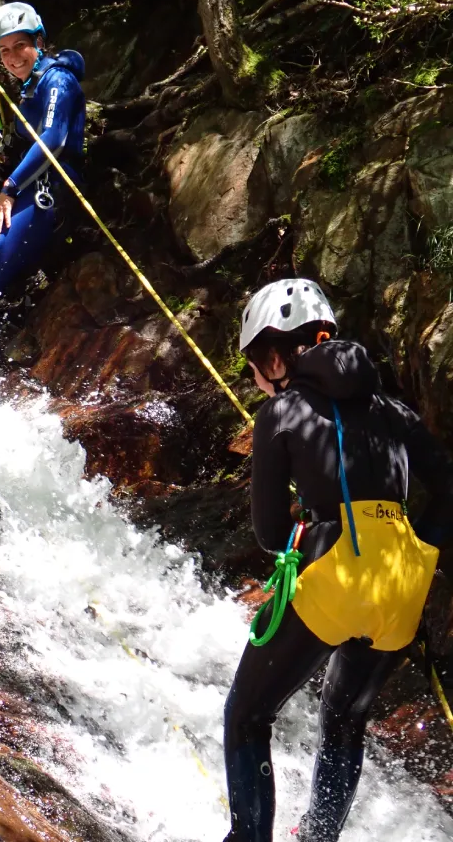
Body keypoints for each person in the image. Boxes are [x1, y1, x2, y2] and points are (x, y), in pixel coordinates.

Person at [224, 278, 453, 842]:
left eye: (256, 359)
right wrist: (419, 550)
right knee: (346, 718)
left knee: (247, 718)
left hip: (338, 573)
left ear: (277, 355)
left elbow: (270, 532)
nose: (256, 375)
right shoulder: (393, 409)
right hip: (402, 581)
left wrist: (309, 531)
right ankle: (319, 836)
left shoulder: (282, 412)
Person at [0, 1, 86, 329]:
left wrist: (10, 188)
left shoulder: (58, 79)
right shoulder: (31, 88)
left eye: (21, 45)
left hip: (52, 186)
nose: (13, 57)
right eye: (5, 50)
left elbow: (53, 138)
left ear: (39, 42)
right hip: (32, 184)